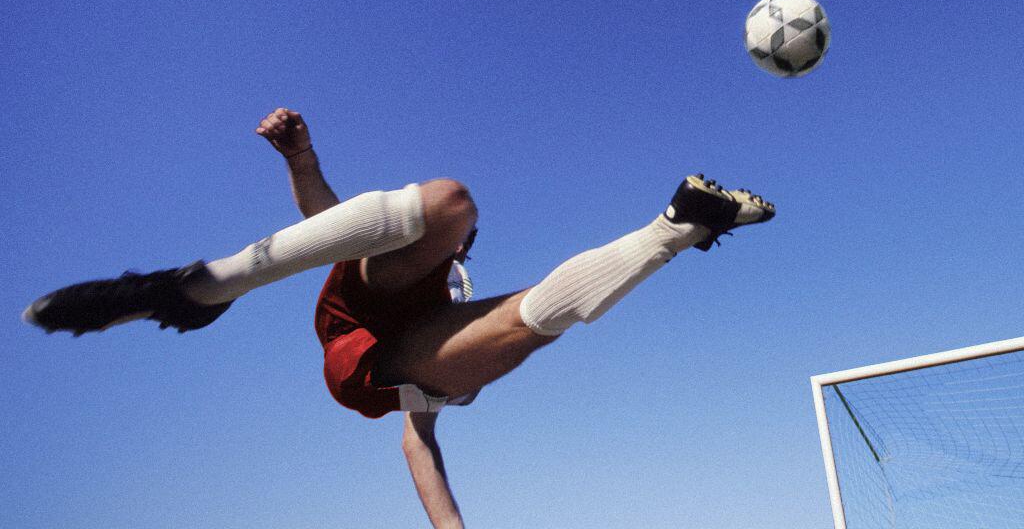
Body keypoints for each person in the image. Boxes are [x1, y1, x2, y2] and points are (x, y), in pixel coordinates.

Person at [23, 107, 775, 528]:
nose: (451, 248)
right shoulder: (407, 250)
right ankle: (197, 290)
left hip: (377, 371)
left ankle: (676, 227)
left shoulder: (441, 287)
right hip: (356, 318)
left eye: (455, 252)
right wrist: (302, 160)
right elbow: (335, 227)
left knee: (527, 318)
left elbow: (418, 443)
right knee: (448, 200)